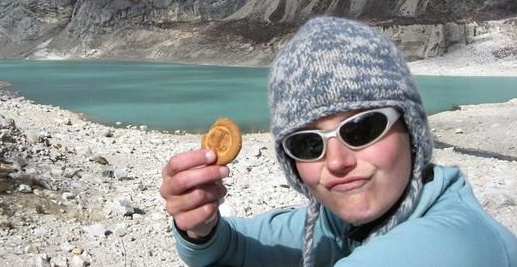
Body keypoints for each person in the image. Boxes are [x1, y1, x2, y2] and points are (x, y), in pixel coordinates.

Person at [160, 16, 517, 266]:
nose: (336, 161)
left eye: (362, 128)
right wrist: (198, 228)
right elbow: (233, 246)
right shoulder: (342, 223)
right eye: (308, 144)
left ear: (412, 129)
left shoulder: (450, 248)